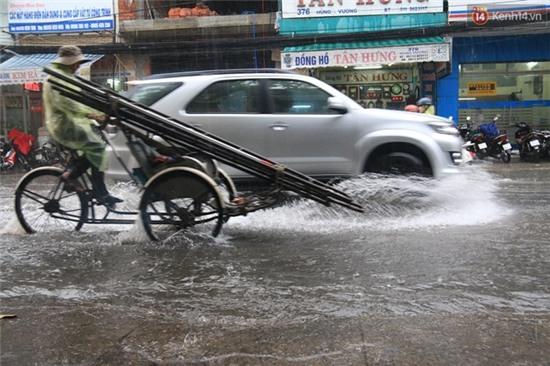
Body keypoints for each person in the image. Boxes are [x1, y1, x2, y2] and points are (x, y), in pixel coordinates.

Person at [43, 45, 122, 206]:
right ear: (67, 63)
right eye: (75, 63)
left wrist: (99, 113)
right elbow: (67, 104)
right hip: (65, 125)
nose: (77, 66)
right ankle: (71, 176)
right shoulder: (57, 78)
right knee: (98, 149)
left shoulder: (67, 76)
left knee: (98, 148)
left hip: (75, 122)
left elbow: (80, 102)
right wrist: (93, 115)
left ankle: (99, 190)